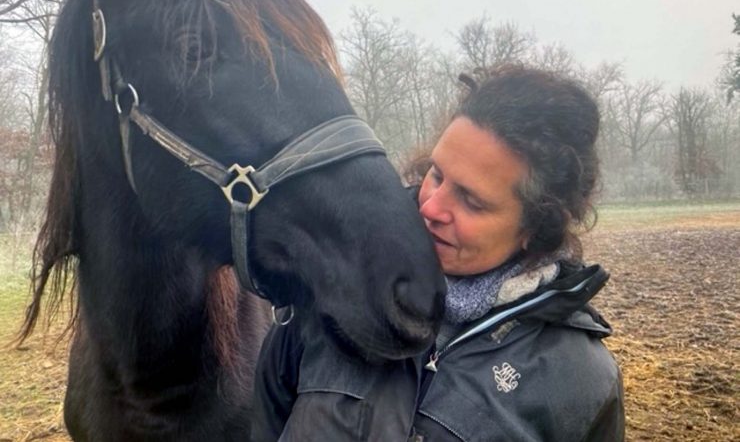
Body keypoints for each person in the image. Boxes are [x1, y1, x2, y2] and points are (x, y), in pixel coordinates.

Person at [251, 65, 625, 442]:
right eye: (436, 174)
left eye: (471, 201)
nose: (430, 208)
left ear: (536, 228)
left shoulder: (582, 382)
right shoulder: (337, 288)